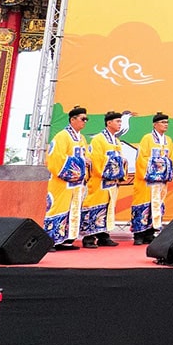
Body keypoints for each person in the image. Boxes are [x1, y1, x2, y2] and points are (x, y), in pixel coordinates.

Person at [45, 106, 92, 248]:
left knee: (73, 209)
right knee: (58, 208)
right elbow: (55, 158)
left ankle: (67, 239)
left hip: (76, 183)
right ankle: (50, 240)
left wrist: (86, 162)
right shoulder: (62, 136)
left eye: (86, 119)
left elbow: (87, 156)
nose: (85, 122)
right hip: (62, 182)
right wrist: (82, 162)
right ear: (73, 119)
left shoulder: (82, 138)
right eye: (83, 119)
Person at [81, 111, 128, 248]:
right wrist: (113, 165)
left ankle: (103, 235)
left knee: (108, 207)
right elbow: (95, 159)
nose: (120, 124)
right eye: (118, 121)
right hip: (100, 180)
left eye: (120, 121)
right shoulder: (98, 139)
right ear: (109, 123)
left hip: (112, 182)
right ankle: (89, 237)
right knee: (95, 206)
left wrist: (120, 163)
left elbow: (121, 158)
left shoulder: (116, 141)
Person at [131, 112, 173, 246]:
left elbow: (171, 158)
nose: (165, 125)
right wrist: (157, 165)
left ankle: (150, 233)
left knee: (156, 206)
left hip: (160, 182)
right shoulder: (147, 138)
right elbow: (141, 158)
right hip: (147, 181)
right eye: (163, 122)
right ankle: (138, 234)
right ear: (155, 125)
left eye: (167, 122)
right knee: (143, 206)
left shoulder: (168, 140)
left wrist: (165, 167)